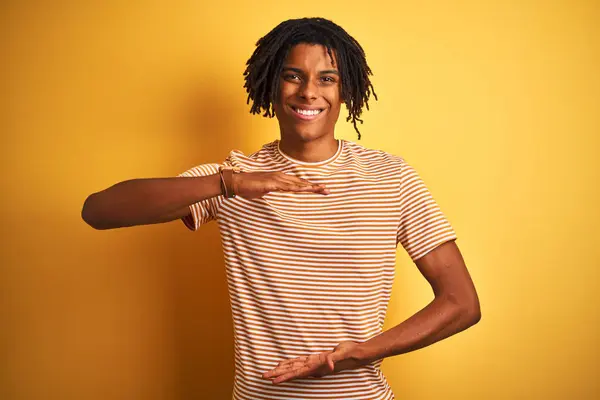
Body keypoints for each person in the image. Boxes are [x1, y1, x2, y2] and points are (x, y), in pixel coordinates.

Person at [82, 17, 481, 400]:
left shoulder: (391, 178)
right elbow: (99, 211)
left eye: (327, 79)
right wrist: (229, 183)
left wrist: (361, 351)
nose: (309, 92)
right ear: (271, 84)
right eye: (293, 76)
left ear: (346, 92)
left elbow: (461, 303)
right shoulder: (234, 177)